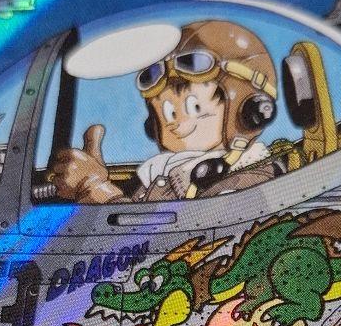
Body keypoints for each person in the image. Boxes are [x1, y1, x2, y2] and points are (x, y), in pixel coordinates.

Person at [50, 20, 280, 203]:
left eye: (194, 107)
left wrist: (94, 187)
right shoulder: (162, 172)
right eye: (167, 112)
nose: (175, 122)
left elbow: (173, 235)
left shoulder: (249, 181)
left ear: (252, 112)